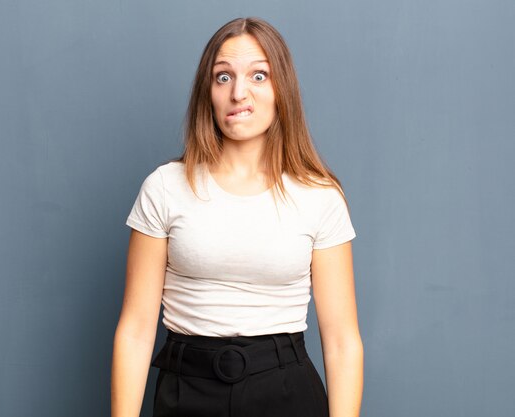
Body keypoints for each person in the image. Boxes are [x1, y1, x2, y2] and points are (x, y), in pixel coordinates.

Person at [111, 17, 363, 417]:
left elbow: (342, 340)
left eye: (258, 75)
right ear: (207, 93)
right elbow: (136, 330)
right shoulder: (164, 187)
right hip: (186, 391)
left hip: (286, 392)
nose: (239, 92)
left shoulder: (320, 196)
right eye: (223, 77)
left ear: (282, 88)